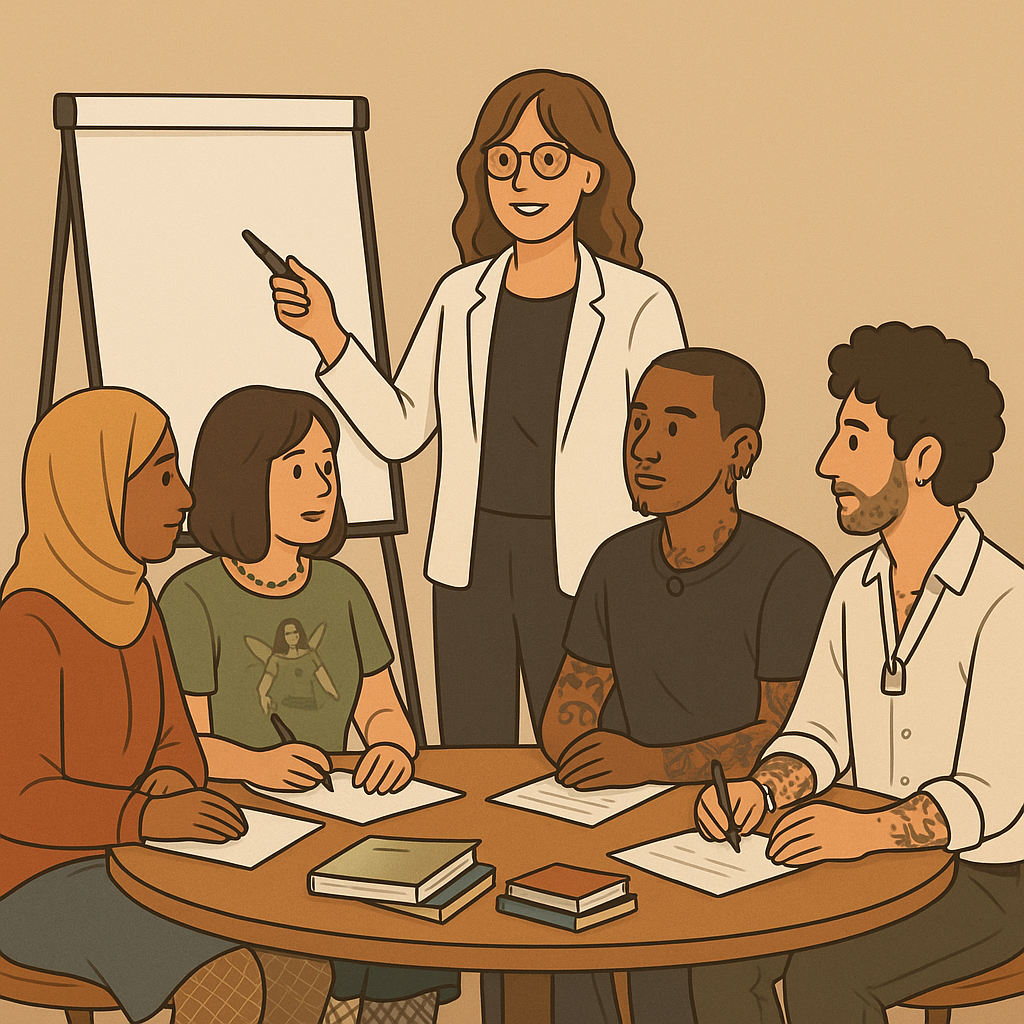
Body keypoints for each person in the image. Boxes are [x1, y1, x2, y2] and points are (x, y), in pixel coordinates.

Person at [265, 69, 688, 750]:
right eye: (504, 161)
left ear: (590, 174)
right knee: (470, 750)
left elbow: (673, 449)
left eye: (548, 160)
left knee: (584, 757)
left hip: (588, 566)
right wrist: (327, 335)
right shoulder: (459, 295)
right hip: (472, 565)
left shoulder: (641, 304)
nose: (522, 182)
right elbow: (402, 431)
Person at [690, 322, 1024, 1024]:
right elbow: (818, 735)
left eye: (853, 439)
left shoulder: (1007, 600)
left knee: (828, 979)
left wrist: (864, 833)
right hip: (868, 861)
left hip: (990, 879)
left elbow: (989, 796)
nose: (825, 463)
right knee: (721, 952)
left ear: (923, 458)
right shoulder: (854, 586)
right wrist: (763, 791)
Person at [0, 387, 332, 1024]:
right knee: (228, 979)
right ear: (94, 492)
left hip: (142, 856)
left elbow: (177, 741)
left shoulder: (137, 605)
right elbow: (18, 798)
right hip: (38, 883)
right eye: (160, 476)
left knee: (302, 956)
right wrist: (147, 815)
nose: (184, 497)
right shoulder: (28, 625)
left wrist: (171, 782)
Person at [539, 349, 833, 1024]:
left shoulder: (790, 570)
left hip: (742, 828)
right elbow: (567, 711)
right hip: (626, 821)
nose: (644, 448)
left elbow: (786, 738)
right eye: (637, 422)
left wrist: (648, 764)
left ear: (740, 450)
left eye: (675, 427)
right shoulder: (615, 561)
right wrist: (586, 753)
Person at [159, 385, 458, 1024]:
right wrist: (256, 764)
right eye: (297, 470)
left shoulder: (343, 588)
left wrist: (390, 747)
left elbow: (383, 709)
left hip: (338, 819)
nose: (322, 486)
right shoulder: (191, 597)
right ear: (241, 479)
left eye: (328, 466)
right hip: (243, 833)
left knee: (410, 934)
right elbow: (181, 748)